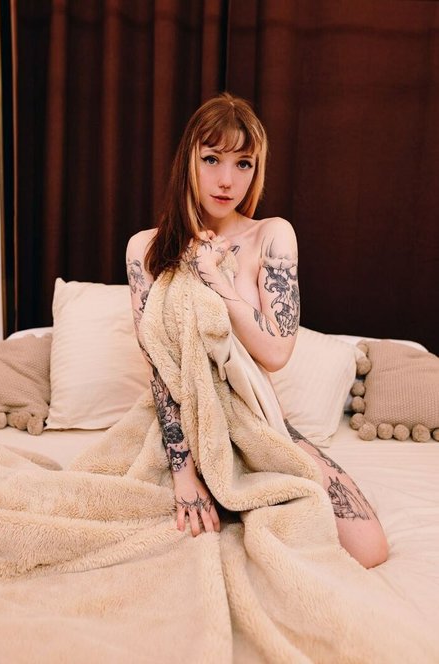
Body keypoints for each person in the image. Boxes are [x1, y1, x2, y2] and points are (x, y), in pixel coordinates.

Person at [126, 92, 388, 568]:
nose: (227, 180)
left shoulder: (271, 235)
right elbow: (160, 369)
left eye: (243, 163)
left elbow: (275, 352)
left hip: (258, 422)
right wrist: (183, 473)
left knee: (369, 548)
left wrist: (216, 280)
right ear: (188, 160)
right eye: (212, 159)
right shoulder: (145, 249)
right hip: (182, 429)